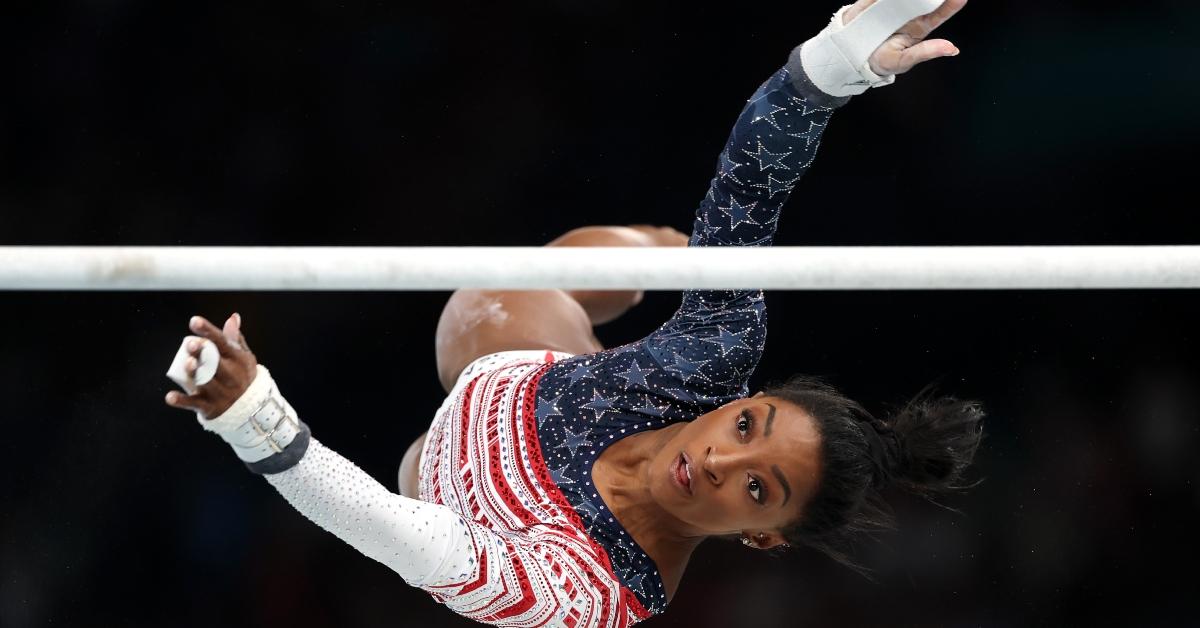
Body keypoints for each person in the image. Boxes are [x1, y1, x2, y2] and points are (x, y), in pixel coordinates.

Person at [164, 1, 984, 625]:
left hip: (435, 492)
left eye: (761, 490)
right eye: (746, 428)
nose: (724, 463)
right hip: (510, 357)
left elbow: (399, 537)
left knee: (415, 491)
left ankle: (661, 261)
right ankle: (654, 251)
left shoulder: (594, 592)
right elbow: (748, 189)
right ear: (739, 401)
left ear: (762, 536)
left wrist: (254, 418)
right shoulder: (714, 358)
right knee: (560, 277)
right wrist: (827, 71)